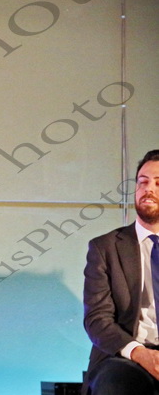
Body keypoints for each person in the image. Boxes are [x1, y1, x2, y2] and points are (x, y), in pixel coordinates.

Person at [83, 149, 159, 394]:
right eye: (142, 182)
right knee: (116, 385)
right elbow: (97, 319)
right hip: (125, 355)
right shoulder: (105, 247)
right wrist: (139, 353)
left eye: (158, 183)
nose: (148, 189)